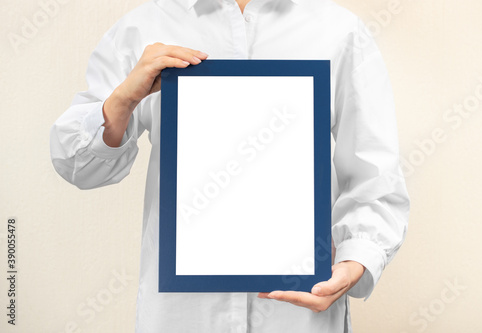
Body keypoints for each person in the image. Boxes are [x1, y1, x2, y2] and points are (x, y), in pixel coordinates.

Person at [50, 0, 410, 331]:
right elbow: (80, 167)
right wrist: (124, 98)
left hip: (296, 317)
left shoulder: (339, 31)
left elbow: (375, 177)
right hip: (181, 317)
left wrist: (355, 263)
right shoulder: (143, 28)